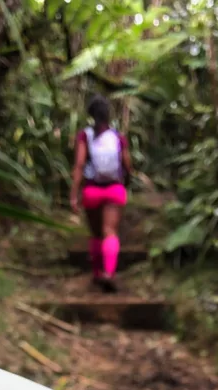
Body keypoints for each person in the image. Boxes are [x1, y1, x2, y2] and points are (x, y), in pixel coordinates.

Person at [70, 95, 132, 290]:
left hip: (92, 191)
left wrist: (74, 194)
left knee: (96, 233)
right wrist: (126, 184)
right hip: (115, 189)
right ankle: (109, 273)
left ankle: (97, 273)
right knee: (110, 232)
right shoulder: (117, 136)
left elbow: (79, 165)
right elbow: (127, 164)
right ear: (108, 115)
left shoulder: (84, 136)